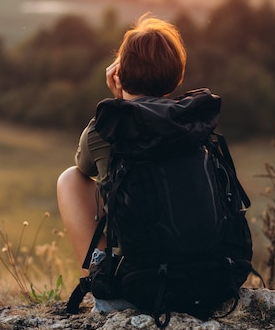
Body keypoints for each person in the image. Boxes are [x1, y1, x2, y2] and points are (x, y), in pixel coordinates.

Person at [56, 14, 187, 269]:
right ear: (176, 77)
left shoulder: (105, 130)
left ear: (117, 74)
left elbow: (85, 167)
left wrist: (119, 104)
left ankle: (100, 286)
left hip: (140, 285)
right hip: (202, 280)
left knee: (70, 179)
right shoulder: (192, 124)